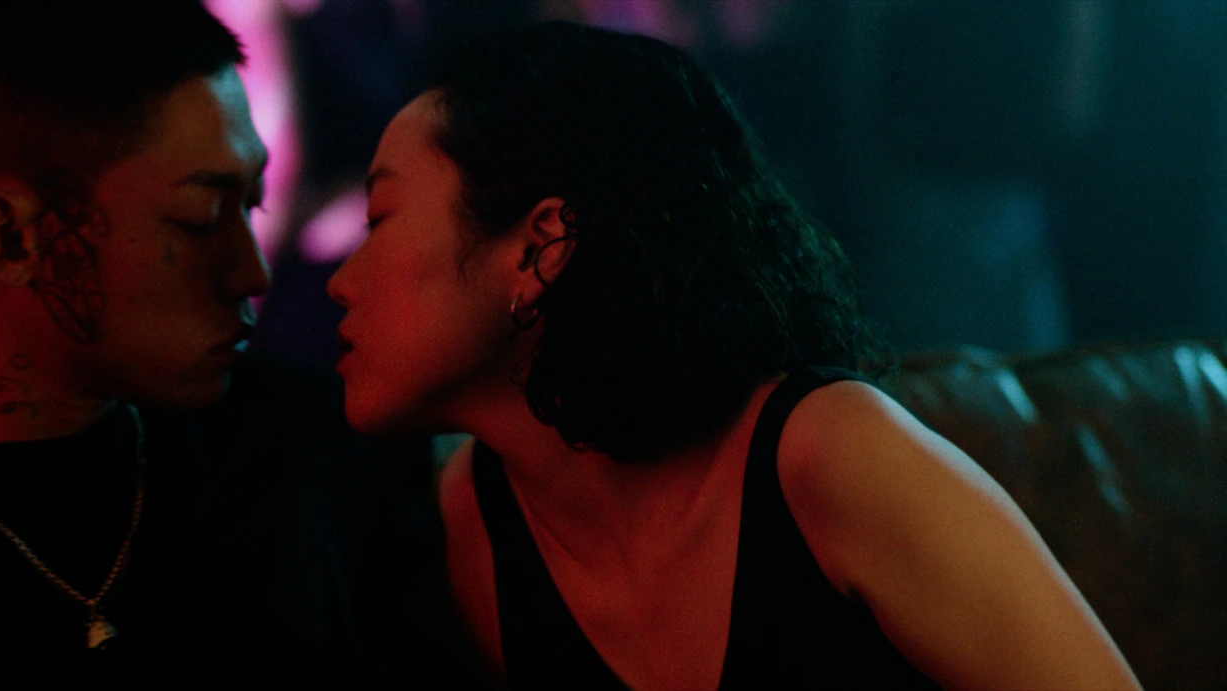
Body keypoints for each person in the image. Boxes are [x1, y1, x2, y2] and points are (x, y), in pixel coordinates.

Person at [327, 21, 1141, 690]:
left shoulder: (829, 452)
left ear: (539, 247)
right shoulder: (478, 516)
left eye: (379, 219)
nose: (339, 280)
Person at [0, 0, 474, 687]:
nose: (251, 272)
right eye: (198, 218)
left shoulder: (320, 452)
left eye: (253, 204)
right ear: (10, 237)